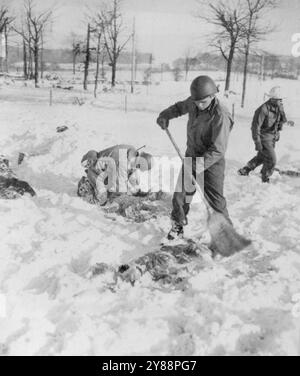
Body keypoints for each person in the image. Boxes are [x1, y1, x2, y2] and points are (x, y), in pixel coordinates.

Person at [157, 76, 234, 240]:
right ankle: (178, 226)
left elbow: (218, 149)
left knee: (215, 201)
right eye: (196, 101)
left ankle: (225, 235)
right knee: (180, 195)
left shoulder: (221, 115)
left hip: (212, 162)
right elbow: (179, 108)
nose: (199, 105)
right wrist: (165, 115)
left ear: (213, 96)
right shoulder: (194, 101)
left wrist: (199, 166)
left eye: (203, 102)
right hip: (192, 155)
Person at [238, 86, 291, 183]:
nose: (281, 101)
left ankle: (246, 169)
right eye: (280, 100)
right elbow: (255, 127)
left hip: (272, 137)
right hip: (263, 137)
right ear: (273, 99)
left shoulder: (279, 107)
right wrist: (257, 142)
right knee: (272, 159)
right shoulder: (263, 109)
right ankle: (264, 177)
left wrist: (285, 119)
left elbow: (282, 120)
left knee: (262, 156)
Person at [78, 144, 153, 206]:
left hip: (105, 169)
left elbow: (129, 174)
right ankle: (85, 186)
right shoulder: (123, 162)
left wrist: (136, 190)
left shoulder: (132, 152)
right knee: (102, 200)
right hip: (95, 171)